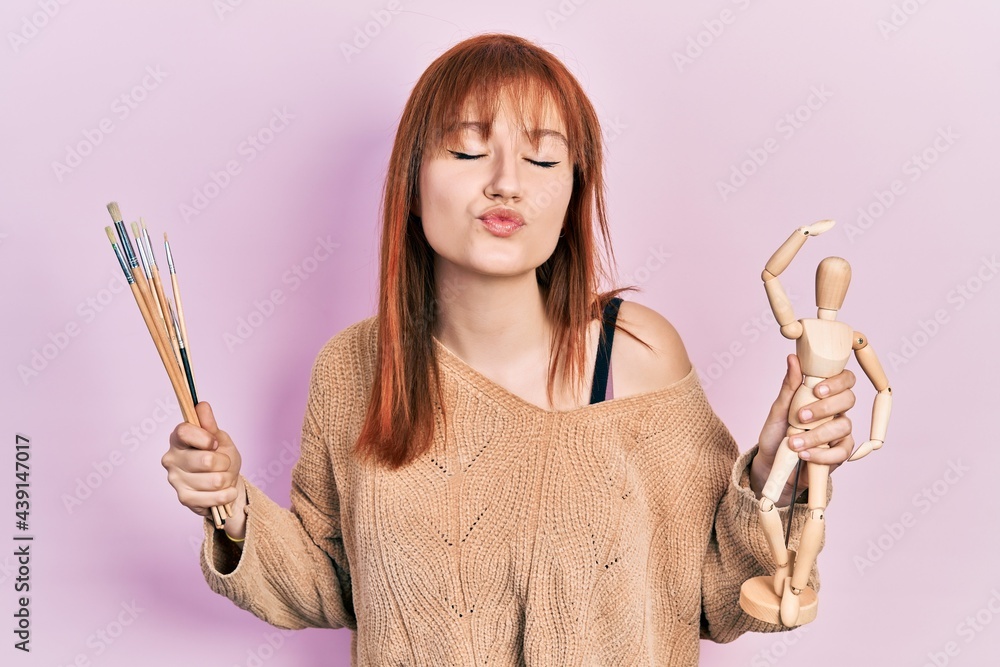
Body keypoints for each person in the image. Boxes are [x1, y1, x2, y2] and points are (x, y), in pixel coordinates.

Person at [162, 33, 857, 665]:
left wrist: (775, 467)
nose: (506, 181)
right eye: (468, 150)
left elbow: (715, 594)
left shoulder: (636, 352)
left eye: (543, 156)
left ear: (573, 191)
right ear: (411, 184)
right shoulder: (354, 368)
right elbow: (334, 582)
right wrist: (228, 504)